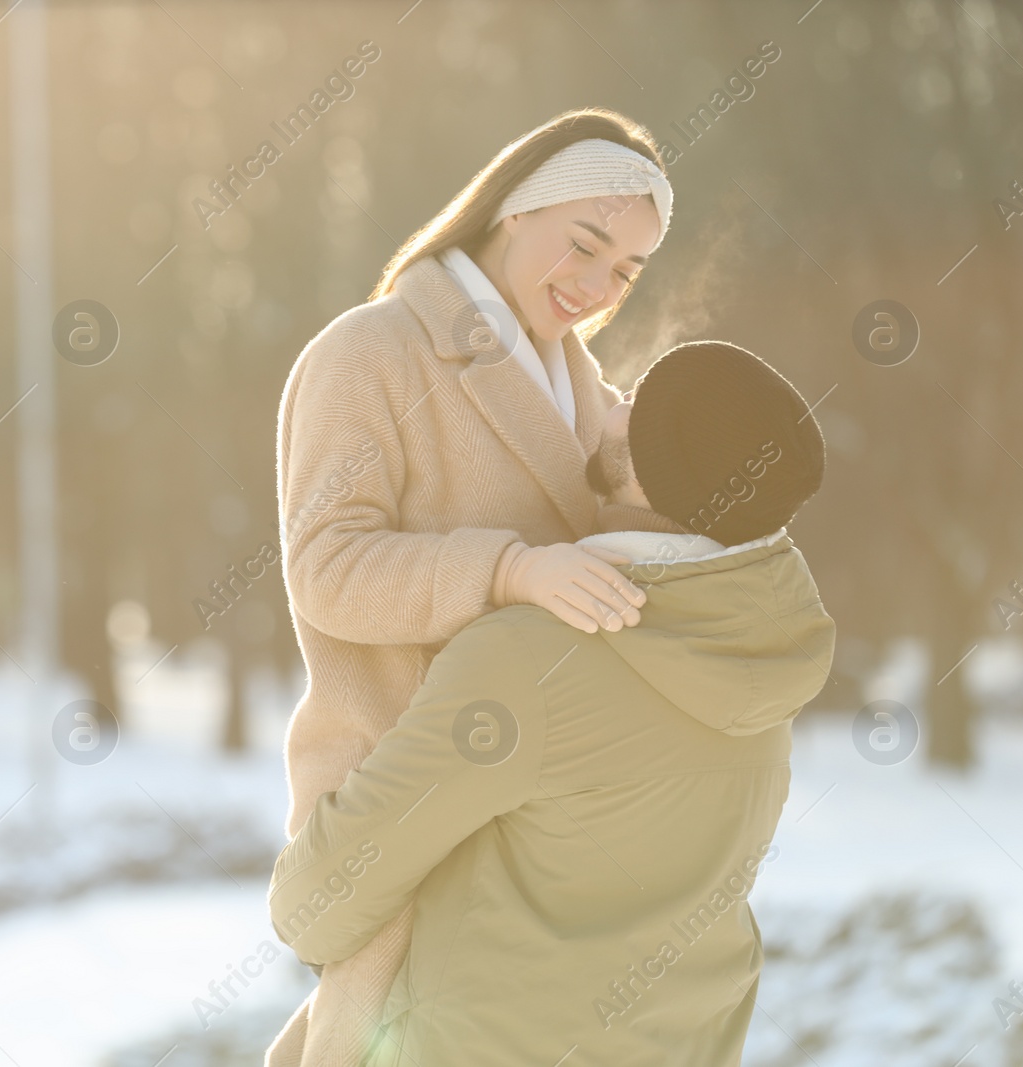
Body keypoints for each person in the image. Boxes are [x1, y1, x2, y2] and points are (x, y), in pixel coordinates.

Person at [269, 341, 835, 1066]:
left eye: (638, 400)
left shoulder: (529, 660)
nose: (613, 402)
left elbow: (315, 908)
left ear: (647, 462)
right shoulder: (764, 651)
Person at [272, 108, 674, 1065]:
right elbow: (325, 568)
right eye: (584, 244)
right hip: (404, 800)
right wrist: (508, 570)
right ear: (510, 210)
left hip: (541, 824)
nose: (595, 285)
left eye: (624, 271)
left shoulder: (587, 396)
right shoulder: (365, 354)